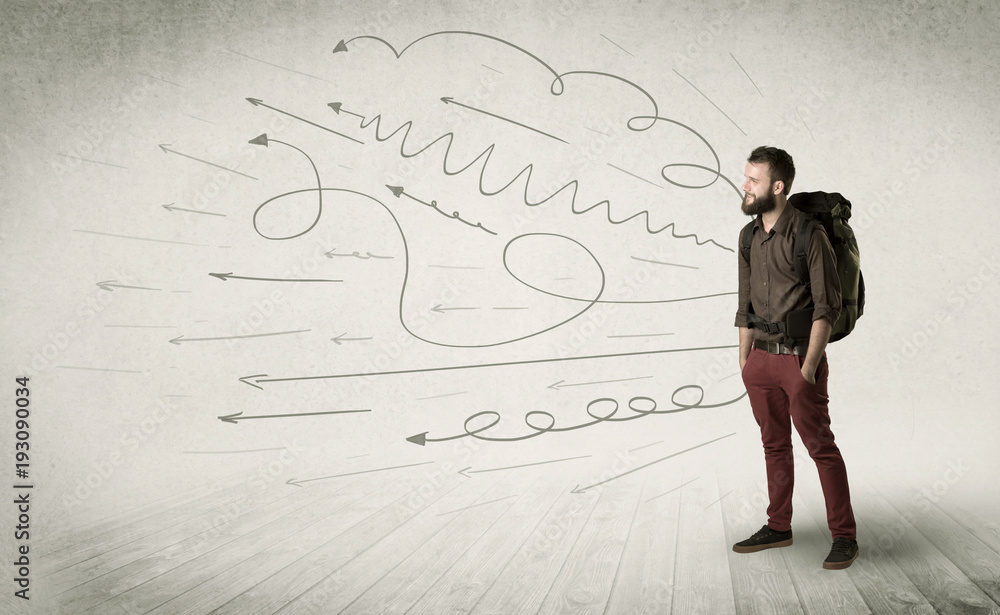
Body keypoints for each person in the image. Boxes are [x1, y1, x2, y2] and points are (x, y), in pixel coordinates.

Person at [732, 146, 859, 570]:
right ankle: (778, 526)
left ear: (778, 186)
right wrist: (745, 362)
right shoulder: (749, 236)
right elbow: (744, 303)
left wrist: (807, 368)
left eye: (754, 179)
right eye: (746, 177)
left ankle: (844, 536)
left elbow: (829, 306)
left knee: (820, 446)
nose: (745, 185)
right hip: (760, 364)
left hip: (798, 360)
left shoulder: (809, 234)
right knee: (773, 445)